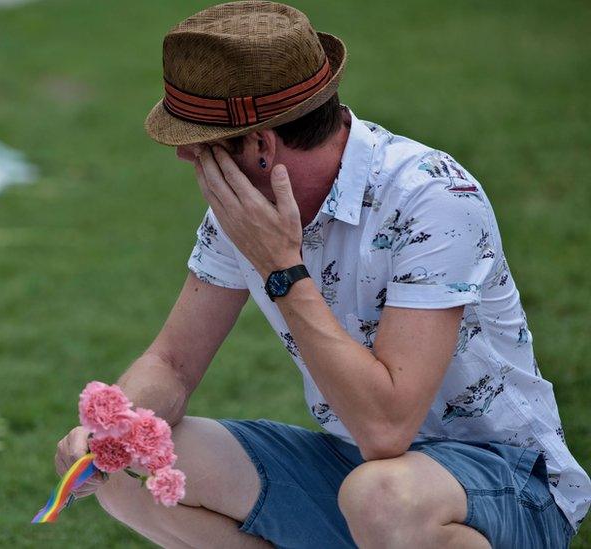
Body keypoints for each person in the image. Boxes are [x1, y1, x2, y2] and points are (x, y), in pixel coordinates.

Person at [53, 2, 588, 547]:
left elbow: (386, 427)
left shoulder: (432, 196)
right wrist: (112, 430)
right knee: (133, 470)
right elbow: (171, 363)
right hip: (356, 466)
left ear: (260, 146)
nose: (187, 158)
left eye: (200, 143)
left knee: (379, 497)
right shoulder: (242, 211)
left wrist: (283, 268)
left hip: (509, 482)